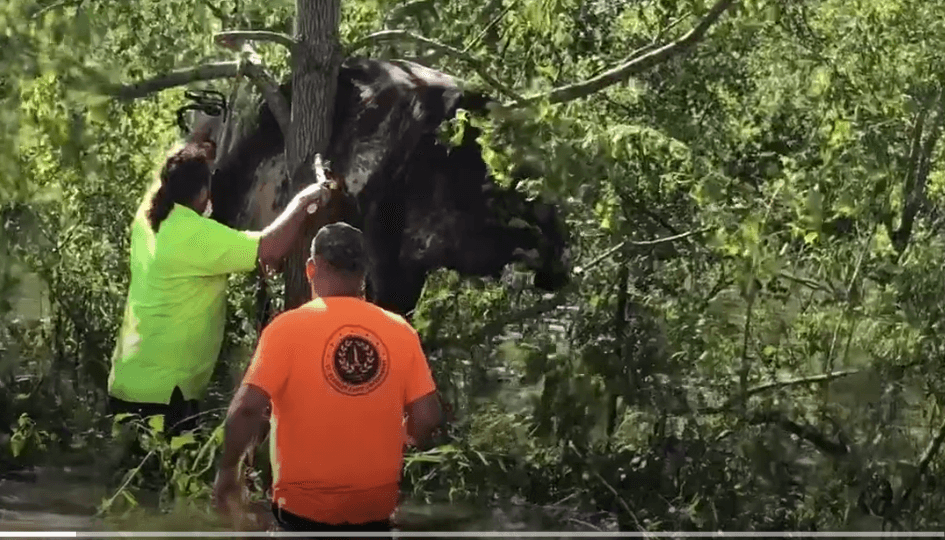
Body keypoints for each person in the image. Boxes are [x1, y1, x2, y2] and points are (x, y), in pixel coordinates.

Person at [213, 222, 444, 534]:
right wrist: (405, 437)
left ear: (312, 268)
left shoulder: (287, 329)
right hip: (375, 510)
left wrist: (228, 470)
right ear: (364, 272)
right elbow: (428, 417)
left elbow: (246, 410)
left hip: (302, 512)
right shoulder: (400, 331)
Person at [108, 125, 332, 435]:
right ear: (202, 193)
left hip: (130, 382)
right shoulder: (194, 235)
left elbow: (174, 160)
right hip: (166, 396)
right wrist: (304, 201)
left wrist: (199, 138)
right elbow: (270, 246)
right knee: (165, 478)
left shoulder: (149, 213)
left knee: (132, 480)